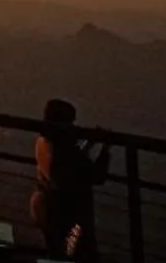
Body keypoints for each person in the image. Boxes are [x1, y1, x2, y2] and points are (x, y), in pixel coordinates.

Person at [31, 98, 111, 259]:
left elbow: (73, 163)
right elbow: (96, 175)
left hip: (45, 206)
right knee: (75, 251)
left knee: (57, 251)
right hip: (71, 215)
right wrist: (106, 149)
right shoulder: (65, 151)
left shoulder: (43, 142)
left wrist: (88, 144)